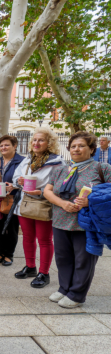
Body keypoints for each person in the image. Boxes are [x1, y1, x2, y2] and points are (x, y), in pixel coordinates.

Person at [44, 132, 111, 308]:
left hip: (86, 223)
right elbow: (47, 191)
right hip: (60, 220)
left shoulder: (102, 168)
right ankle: (64, 288)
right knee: (63, 258)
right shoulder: (60, 169)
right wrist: (63, 203)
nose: (76, 149)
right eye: (73, 146)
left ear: (91, 149)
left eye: (81, 145)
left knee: (84, 260)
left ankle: (77, 294)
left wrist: (90, 201)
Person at [12, 128, 65, 288]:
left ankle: (44, 273)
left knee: (44, 240)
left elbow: (61, 185)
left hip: (44, 204)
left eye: (41, 140)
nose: (36, 143)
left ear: (49, 143)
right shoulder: (28, 159)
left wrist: (41, 192)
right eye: (34, 140)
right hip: (25, 203)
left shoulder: (57, 162)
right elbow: (15, 177)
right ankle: (30, 267)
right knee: (27, 237)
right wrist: (18, 181)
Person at [0, 135, 24, 266]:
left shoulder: (22, 161)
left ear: (14, 146)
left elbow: (26, 180)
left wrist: (14, 186)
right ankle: (1, 252)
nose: (3, 147)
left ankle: (9, 254)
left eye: (6, 145)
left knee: (11, 227)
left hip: (13, 199)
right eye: (1, 145)